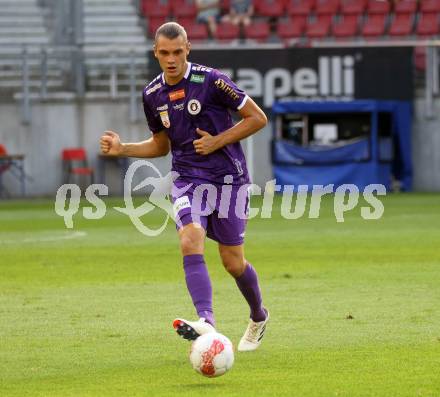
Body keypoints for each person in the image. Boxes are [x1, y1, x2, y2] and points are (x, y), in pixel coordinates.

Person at [99, 22, 269, 352]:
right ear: (156, 54)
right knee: (190, 237)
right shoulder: (152, 94)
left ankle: (259, 316)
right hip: (187, 180)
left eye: (177, 52)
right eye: (164, 53)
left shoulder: (212, 81)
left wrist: (218, 140)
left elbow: (258, 117)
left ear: (188, 48)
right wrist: (124, 150)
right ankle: (206, 320)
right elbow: (161, 146)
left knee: (233, 263)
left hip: (229, 180)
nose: (171, 59)